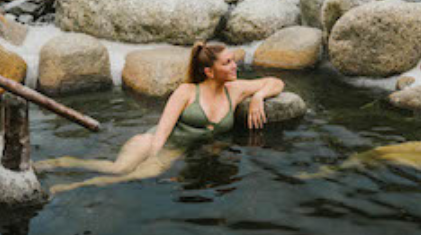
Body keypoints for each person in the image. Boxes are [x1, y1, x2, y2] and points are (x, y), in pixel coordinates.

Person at [37, 41, 285, 191]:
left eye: (233, 61)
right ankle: (63, 169)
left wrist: (258, 97)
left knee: (130, 175)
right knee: (119, 170)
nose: (235, 66)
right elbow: (164, 129)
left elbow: (276, 82)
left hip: (180, 150)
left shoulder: (236, 89)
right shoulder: (187, 91)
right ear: (210, 71)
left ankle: (71, 184)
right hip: (154, 141)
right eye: (228, 63)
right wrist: (155, 160)